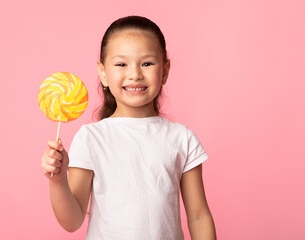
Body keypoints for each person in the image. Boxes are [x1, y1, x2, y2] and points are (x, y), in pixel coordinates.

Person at [41, 15, 217, 240]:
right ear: (103, 72)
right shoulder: (91, 138)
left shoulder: (181, 138)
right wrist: (57, 181)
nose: (134, 74)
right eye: (121, 64)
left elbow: (199, 215)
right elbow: (72, 221)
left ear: (164, 71)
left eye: (147, 63)